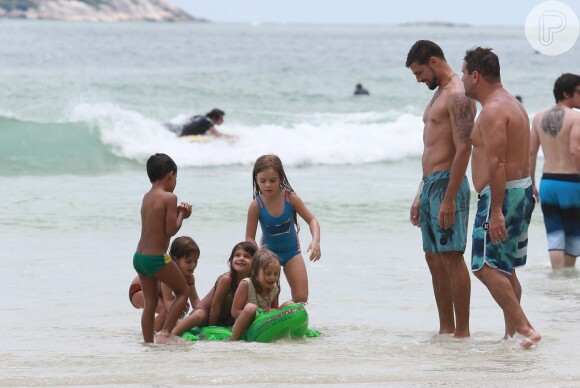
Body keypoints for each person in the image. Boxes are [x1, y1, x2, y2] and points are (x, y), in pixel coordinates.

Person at [461, 47, 540, 348]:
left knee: (484, 266)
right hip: (519, 191)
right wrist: (528, 188)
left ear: (476, 75)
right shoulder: (513, 104)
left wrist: (495, 211)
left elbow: (497, 164)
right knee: (505, 268)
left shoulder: (493, 110)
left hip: (502, 195)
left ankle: (524, 328)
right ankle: (513, 336)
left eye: (465, 73)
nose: (463, 80)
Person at [405, 40, 475, 338]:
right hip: (431, 184)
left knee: (451, 256)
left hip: (449, 184)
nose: (419, 79)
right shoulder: (438, 96)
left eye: (420, 72)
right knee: (433, 258)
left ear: (433, 61)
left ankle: (462, 332)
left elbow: (464, 149)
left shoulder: (458, 94)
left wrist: (448, 198)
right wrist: (421, 194)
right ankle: (445, 329)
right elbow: (430, 149)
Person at [133, 153, 193, 344]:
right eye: (176, 177)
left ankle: (148, 343)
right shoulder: (169, 197)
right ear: (170, 175)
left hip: (139, 257)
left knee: (150, 303)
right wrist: (182, 214)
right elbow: (171, 229)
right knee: (183, 292)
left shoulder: (147, 196)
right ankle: (166, 333)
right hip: (156, 258)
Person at [245, 154, 321, 304]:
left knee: (301, 298)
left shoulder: (290, 198)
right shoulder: (256, 205)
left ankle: (285, 313)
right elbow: (249, 237)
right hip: (267, 256)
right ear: (256, 181)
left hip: (291, 252)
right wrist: (260, 255)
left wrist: (315, 241)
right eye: (263, 181)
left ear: (281, 178)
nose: (268, 185)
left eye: (273, 180)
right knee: (267, 298)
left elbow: (312, 220)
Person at [530, 73, 580, 269]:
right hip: (572, 183)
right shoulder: (575, 118)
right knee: (573, 234)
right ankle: (565, 285)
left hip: (548, 183)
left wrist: (532, 184)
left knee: (554, 235)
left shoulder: (538, 117)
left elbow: (531, 153)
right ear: (566, 94)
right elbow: (575, 150)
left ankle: (557, 281)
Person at [172, 241, 256, 336]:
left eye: (247, 256)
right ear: (231, 260)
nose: (241, 258)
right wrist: (212, 328)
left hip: (225, 319)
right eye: (237, 255)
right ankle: (173, 334)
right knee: (199, 314)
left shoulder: (251, 283)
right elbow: (215, 306)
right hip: (207, 315)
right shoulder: (227, 279)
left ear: (255, 264)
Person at [229, 249, 281, 341]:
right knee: (250, 308)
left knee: (289, 304)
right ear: (254, 272)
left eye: (276, 274)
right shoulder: (246, 284)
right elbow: (234, 312)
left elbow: (274, 310)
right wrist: (258, 313)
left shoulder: (275, 288)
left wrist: (273, 312)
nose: (272, 277)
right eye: (268, 273)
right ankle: (233, 340)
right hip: (243, 328)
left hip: (262, 327)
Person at [161, 236, 202, 319]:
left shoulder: (189, 278)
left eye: (195, 261)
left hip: (158, 294)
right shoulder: (167, 274)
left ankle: (166, 329)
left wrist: (203, 310)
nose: (193, 265)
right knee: (164, 310)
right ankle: (150, 331)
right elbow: (168, 301)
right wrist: (176, 322)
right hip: (138, 290)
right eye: (188, 261)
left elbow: (194, 299)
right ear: (175, 259)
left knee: (184, 306)